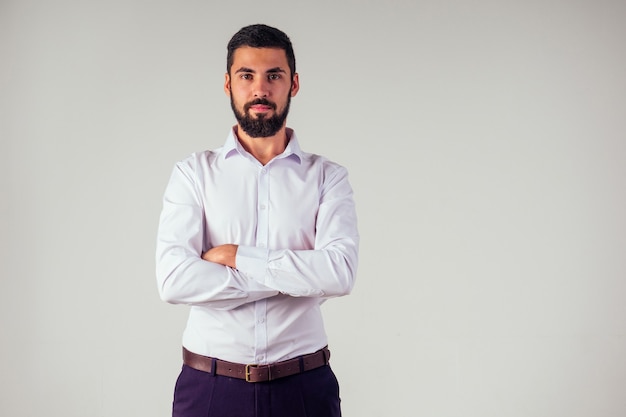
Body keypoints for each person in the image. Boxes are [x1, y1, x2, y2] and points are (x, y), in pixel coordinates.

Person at [155, 24, 359, 417]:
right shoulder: (193, 174)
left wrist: (235, 255)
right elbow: (174, 280)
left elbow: (339, 273)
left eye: (274, 76)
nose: (260, 89)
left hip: (304, 388)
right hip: (209, 389)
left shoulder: (327, 178)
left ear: (293, 84)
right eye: (247, 75)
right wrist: (295, 276)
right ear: (228, 83)